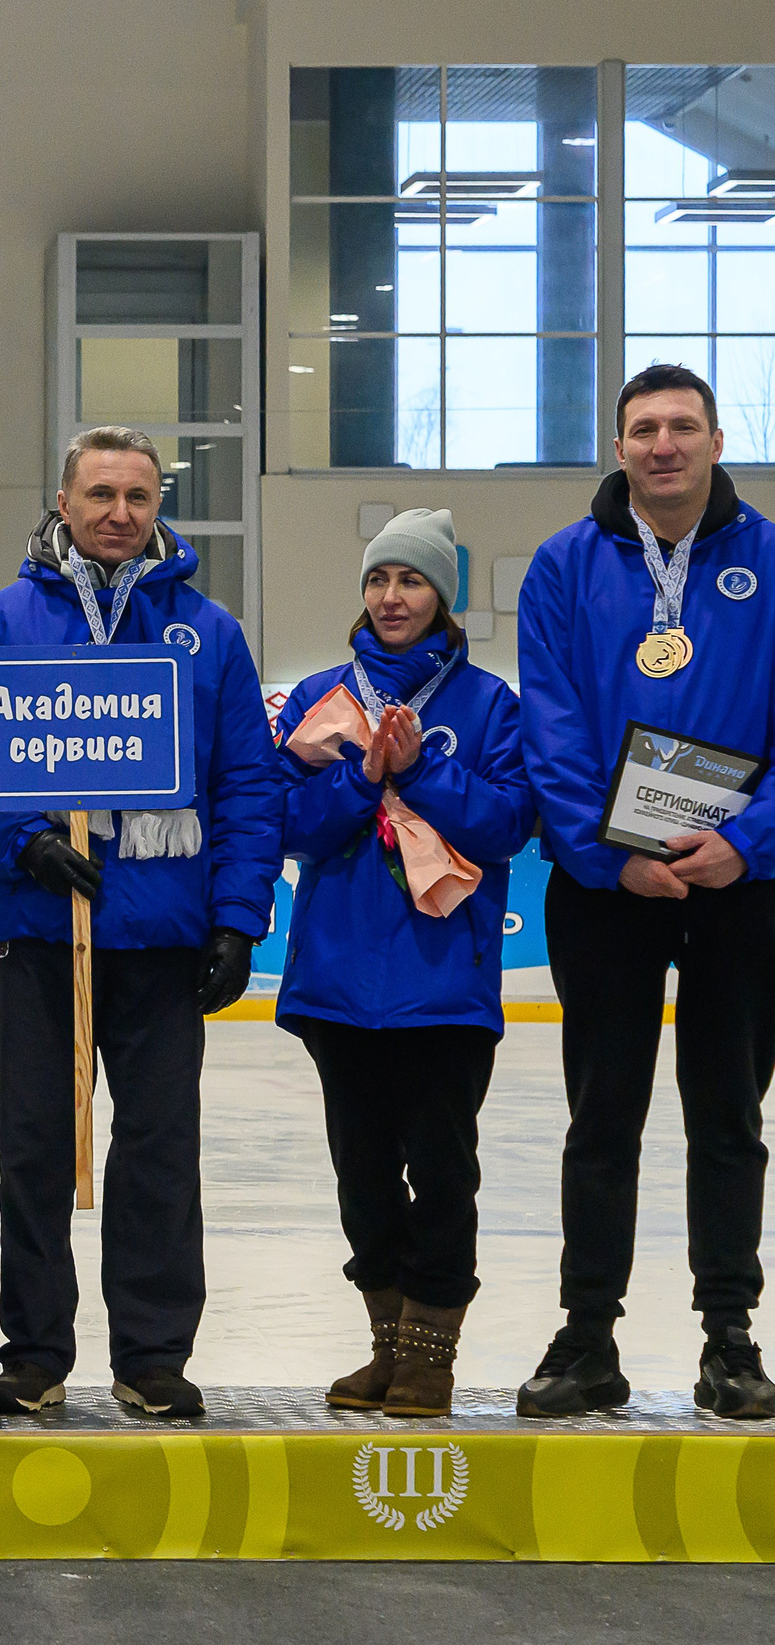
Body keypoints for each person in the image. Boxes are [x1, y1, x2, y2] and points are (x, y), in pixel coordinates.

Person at [0, 427, 283, 1420]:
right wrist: (25, 840)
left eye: (137, 494)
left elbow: (247, 784)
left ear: (156, 503)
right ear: (63, 499)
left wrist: (237, 919)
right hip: (43, 934)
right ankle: (34, 1352)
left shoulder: (207, 631)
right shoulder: (2, 618)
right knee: (35, 1143)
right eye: (101, 494)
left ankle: (153, 1354)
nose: (119, 512)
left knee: (159, 1151)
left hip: (163, 939)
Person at [515, 364, 775, 1421]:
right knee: (601, 1113)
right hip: (607, 884)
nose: (661, 444)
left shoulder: (769, 561)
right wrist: (600, 852)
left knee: (728, 1116)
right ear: (616, 448)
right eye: (641, 429)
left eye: (681, 427)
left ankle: (729, 1338)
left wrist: (745, 844)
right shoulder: (563, 566)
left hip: (738, 888)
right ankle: (587, 1337)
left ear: (717, 441)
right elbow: (552, 723)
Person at [273, 509, 533, 1418]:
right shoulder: (317, 697)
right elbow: (286, 825)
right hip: (338, 981)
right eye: (380, 580)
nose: (392, 597)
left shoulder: (488, 703)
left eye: (413, 581)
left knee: (443, 1168)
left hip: (443, 985)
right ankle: (387, 1341)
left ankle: (431, 1350)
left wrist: (418, 773)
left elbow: (506, 826)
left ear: (442, 597)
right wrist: (357, 775)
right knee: (363, 1173)